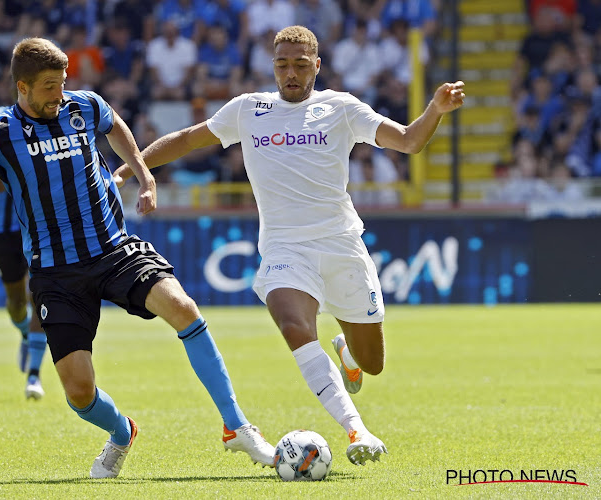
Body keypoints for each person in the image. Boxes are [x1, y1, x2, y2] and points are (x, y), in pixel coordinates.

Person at [0, 37, 274, 479]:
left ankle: (236, 425)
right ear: (23, 87)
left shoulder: (82, 105)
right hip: (56, 272)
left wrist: (144, 176)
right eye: (49, 86)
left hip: (113, 249)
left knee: (184, 308)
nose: (59, 93)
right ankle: (122, 432)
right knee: (79, 393)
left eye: (63, 82)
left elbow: (115, 126)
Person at [113, 25, 465, 466]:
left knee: (371, 364)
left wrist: (434, 108)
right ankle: (358, 430)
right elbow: (187, 139)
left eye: (301, 65)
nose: (291, 73)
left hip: (341, 246)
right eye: (283, 65)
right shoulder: (248, 109)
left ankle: (346, 353)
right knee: (295, 326)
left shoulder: (340, 107)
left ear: (316, 65)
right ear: (273, 66)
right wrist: (134, 169)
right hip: (284, 250)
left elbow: (410, 141)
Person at [0, 105, 48, 400]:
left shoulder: (50, 125)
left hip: (40, 226)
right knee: (16, 302)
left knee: (39, 296)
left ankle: (34, 376)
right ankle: (27, 336)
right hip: (4, 231)